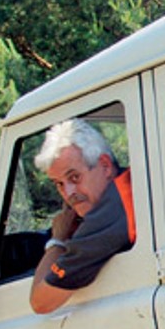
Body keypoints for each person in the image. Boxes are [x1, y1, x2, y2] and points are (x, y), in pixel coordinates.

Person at [30, 118, 135, 314]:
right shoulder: (131, 183)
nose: (69, 193)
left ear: (105, 165)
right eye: (59, 184)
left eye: (74, 178)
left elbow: (41, 301)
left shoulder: (109, 213)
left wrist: (57, 241)